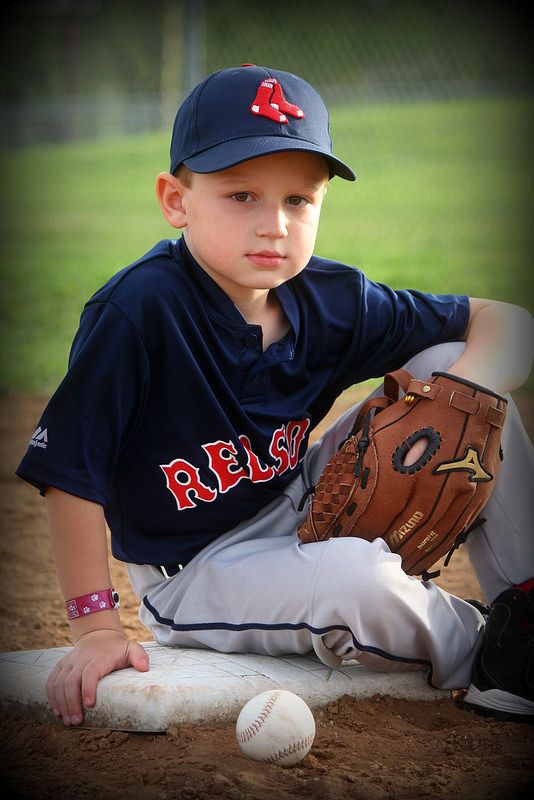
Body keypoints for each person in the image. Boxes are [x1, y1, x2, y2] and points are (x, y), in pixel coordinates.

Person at [16, 65, 534, 728]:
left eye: (298, 200)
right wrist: (93, 628)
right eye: (241, 196)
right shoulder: (138, 311)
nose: (275, 225)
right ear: (176, 201)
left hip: (303, 508)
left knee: (454, 374)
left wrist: (467, 387)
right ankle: (497, 652)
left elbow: (508, 323)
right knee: (355, 579)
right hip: (197, 569)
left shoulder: (331, 299)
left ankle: (528, 598)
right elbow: (71, 474)